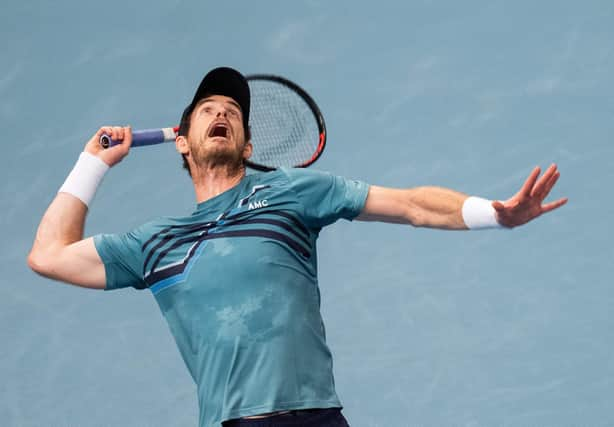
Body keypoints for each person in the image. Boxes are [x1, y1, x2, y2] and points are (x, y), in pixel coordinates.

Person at [27, 67, 567, 427]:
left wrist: (494, 215)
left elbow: (410, 204)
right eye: (209, 109)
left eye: (234, 113)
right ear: (185, 143)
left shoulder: (290, 191)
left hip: (315, 416)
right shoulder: (154, 243)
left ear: (249, 145)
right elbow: (48, 254)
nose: (223, 113)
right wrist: (92, 162)